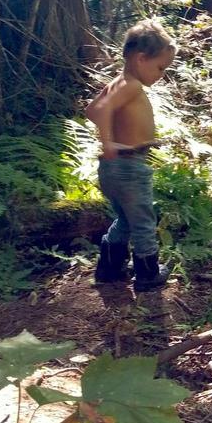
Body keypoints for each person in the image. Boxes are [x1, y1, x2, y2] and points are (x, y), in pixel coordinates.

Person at [85, 19, 176, 292]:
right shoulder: (131, 85)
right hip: (128, 168)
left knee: (125, 219)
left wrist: (137, 139)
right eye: (160, 67)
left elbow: (91, 109)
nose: (161, 74)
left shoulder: (119, 82)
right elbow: (100, 111)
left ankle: (109, 269)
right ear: (140, 59)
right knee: (144, 221)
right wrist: (109, 144)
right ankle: (147, 273)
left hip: (117, 168)